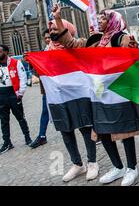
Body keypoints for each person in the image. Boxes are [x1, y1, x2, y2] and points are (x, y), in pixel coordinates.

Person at [52, 5, 139, 186]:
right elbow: (70, 43)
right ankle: (118, 167)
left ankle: (132, 168)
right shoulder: (94, 41)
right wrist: (59, 19)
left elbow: (130, 55)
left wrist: (132, 47)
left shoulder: (121, 37)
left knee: (124, 131)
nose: (98, 21)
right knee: (102, 130)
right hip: (98, 95)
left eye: (102, 18)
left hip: (117, 93)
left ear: (112, 21)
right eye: (99, 18)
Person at [44, 18, 99, 182]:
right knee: (65, 130)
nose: (52, 32)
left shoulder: (80, 44)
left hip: (79, 93)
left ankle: (92, 162)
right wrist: (32, 64)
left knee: (84, 128)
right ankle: (77, 164)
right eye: (51, 30)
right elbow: (42, 75)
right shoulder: (47, 50)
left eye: (55, 29)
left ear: (66, 29)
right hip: (59, 96)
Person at [0, 45, 32, 154]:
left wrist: (20, 93)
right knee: (4, 121)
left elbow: (22, 77)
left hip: (13, 94)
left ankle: (27, 138)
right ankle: (7, 142)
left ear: (6, 52)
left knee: (20, 117)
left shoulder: (16, 63)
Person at [29, 29, 51, 148]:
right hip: (47, 88)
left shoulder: (59, 49)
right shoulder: (42, 53)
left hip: (62, 88)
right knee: (45, 112)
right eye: (46, 38)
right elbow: (37, 73)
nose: (47, 39)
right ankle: (42, 136)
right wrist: (31, 62)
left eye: (49, 37)